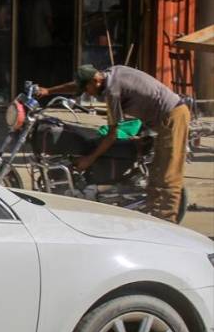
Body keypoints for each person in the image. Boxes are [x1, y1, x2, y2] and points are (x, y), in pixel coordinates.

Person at [37, 64, 189, 221]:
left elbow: (112, 134)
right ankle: (153, 219)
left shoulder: (112, 91)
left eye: (87, 89)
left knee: (168, 175)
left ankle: (168, 222)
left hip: (172, 117)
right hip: (157, 119)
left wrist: (90, 158)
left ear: (96, 81)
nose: (87, 94)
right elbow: (78, 86)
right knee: (156, 175)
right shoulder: (109, 73)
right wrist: (48, 91)